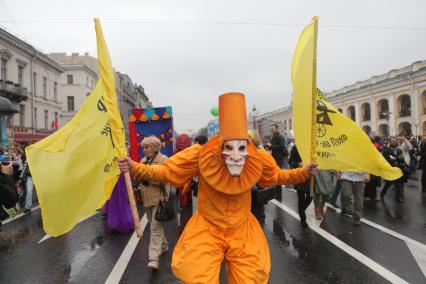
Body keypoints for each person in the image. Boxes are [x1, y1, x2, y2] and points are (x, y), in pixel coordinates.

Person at [118, 93, 317, 283]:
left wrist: (303, 172)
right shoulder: (201, 155)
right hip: (208, 228)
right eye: (230, 148)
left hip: (241, 229)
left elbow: (275, 176)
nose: (237, 156)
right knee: (200, 278)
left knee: (250, 278)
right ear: (221, 146)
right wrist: (136, 167)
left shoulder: (255, 157)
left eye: (241, 148)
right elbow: (166, 172)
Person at [136, 136, 170, 270]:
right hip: (146, 198)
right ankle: (164, 245)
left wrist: (147, 175)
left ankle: (154, 258)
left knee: (155, 227)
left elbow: (165, 178)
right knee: (153, 225)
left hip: (159, 198)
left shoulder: (164, 159)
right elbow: (140, 179)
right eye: (143, 147)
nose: (144, 150)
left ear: (155, 147)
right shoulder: (143, 161)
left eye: (147, 147)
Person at [288, 144, 311, 228]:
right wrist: (298, 164)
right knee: (301, 198)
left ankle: (301, 210)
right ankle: (303, 219)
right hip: (299, 175)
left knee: (310, 196)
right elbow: (290, 161)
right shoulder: (296, 147)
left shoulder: (312, 146)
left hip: (310, 176)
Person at [265, 124, 287, 199]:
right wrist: (267, 146)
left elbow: (281, 147)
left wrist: (271, 146)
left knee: (278, 176)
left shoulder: (280, 137)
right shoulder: (273, 137)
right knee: (274, 176)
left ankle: (279, 194)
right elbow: (272, 147)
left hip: (278, 159)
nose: (271, 130)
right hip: (273, 159)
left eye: (273, 128)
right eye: (271, 129)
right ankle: (276, 193)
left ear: (277, 129)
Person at [381, 137, 405, 202]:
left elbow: (402, 159)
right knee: (388, 183)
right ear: (390, 144)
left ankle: (398, 198)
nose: (394, 149)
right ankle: (382, 193)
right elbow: (387, 160)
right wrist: (397, 158)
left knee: (398, 184)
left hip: (398, 169)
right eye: (393, 147)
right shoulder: (386, 150)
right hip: (390, 169)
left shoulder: (399, 150)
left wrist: (401, 159)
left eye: (395, 147)